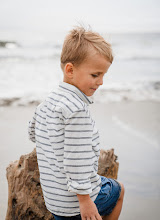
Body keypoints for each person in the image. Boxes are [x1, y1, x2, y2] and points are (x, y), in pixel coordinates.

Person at [28, 26, 124, 220]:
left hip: (54, 201)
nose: (101, 82)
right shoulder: (77, 109)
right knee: (119, 190)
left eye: (103, 75)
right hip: (75, 202)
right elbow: (76, 160)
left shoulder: (48, 101)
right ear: (70, 70)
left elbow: (32, 132)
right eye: (95, 75)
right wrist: (85, 201)